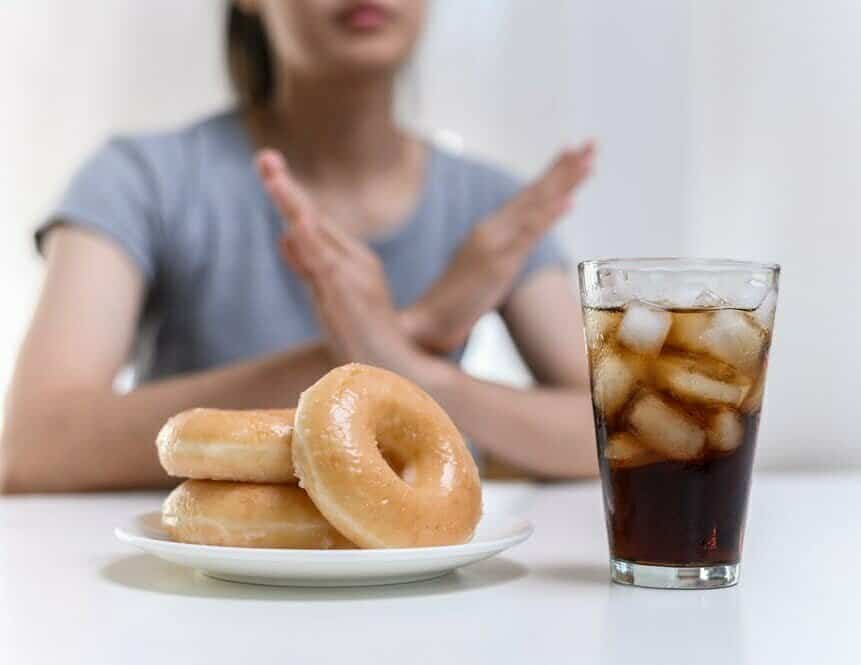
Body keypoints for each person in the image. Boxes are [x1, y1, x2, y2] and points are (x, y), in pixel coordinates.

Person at [0, 0, 598, 493]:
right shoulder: (139, 178)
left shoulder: (494, 208)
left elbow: (609, 431)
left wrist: (417, 370)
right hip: (200, 590)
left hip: (415, 593)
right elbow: (32, 444)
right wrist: (408, 334)